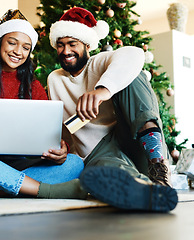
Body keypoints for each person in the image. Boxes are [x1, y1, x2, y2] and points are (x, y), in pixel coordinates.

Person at [0, 10, 86, 200]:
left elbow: (48, 133)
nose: (18, 52)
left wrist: (61, 149)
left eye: (26, 48)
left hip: (20, 165)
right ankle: (42, 190)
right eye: (12, 43)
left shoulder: (34, 87)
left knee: (74, 162)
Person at [47, 7, 178, 212]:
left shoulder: (100, 62)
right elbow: (60, 126)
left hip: (136, 139)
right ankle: (147, 191)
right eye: (60, 45)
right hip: (99, 151)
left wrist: (102, 91)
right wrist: (61, 147)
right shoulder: (54, 79)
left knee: (134, 75)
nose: (66, 51)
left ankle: (160, 169)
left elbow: (134, 54)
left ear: (87, 45)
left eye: (72, 44)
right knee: (104, 172)